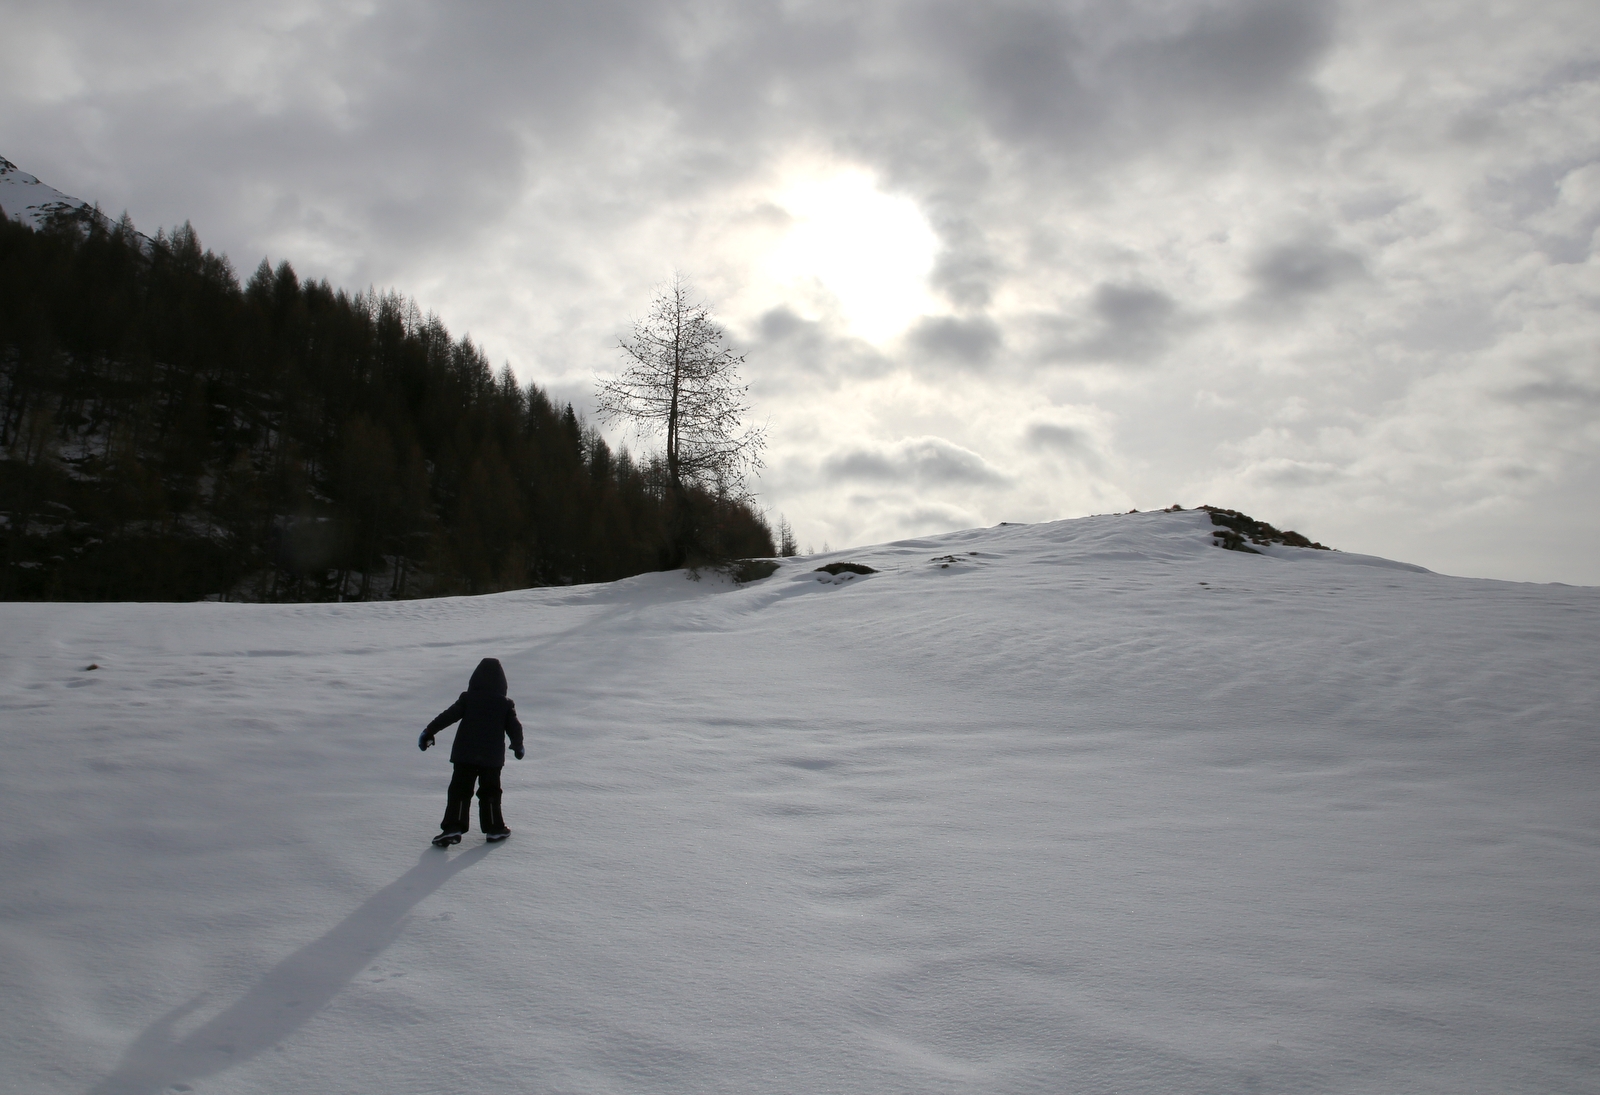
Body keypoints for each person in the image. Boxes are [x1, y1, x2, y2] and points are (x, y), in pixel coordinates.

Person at [419, 657, 524, 845]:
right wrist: (518, 745)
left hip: (464, 755)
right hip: (491, 758)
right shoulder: (504, 704)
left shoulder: (468, 699)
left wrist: (429, 731)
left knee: (460, 790)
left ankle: (453, 827)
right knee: (490, 791)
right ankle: (494, 828)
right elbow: (514, 727)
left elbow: (448, 716)